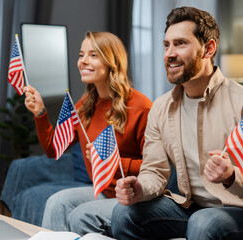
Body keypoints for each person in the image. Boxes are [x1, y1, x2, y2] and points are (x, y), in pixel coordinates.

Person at [111, 6, 243, 240]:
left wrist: (232, 176)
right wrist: (139, 189)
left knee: (204, 223)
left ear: (209, 48)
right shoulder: (161, 107)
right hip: (193, 209)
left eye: (181, 43)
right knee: (124, 213)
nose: (169, 54)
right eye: (166, 45)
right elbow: (154, 171)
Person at [24, 31, 152, 237]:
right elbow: (52, 149)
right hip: (103, 192)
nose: (83, 61)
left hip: (135, 198)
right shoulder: (84, 106)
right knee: (56, 202)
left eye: (93, 55)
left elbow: (157, 168)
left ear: (112, 61)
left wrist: (111, 160)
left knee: (79, 215)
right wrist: (40, 112)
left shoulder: (141, 107)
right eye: (81, 54)